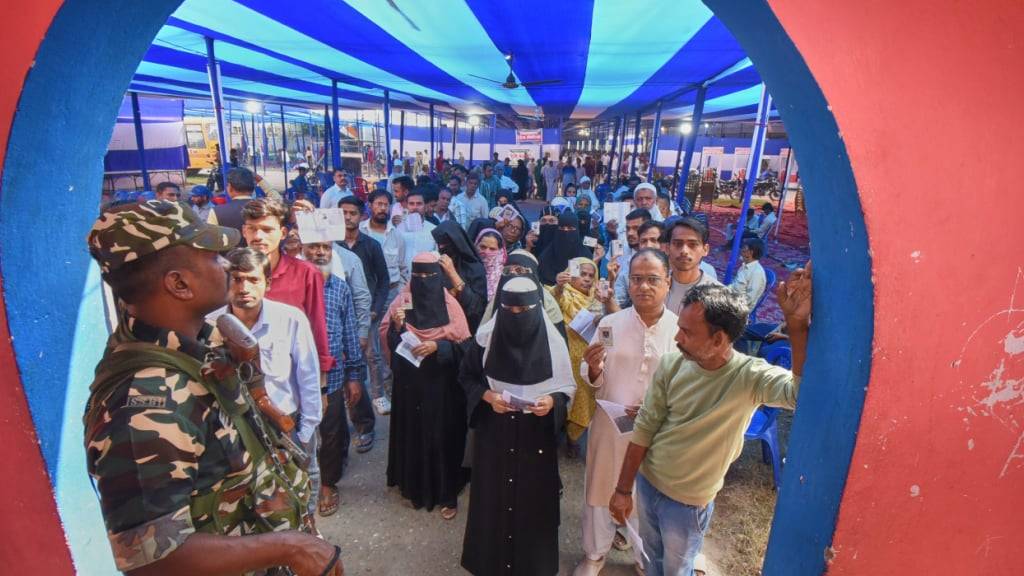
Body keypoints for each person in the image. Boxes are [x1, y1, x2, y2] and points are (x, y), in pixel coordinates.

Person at [83, 200, 342, 575]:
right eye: (213, 257)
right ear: (179, 284)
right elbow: (154, 559)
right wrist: (291, 547)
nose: (227, 266)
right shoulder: (145, 405)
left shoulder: (197, 344)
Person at [610, 272, 812, 576]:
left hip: (688, 503)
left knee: (677, 569)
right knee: (650, 557)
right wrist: (623, 490)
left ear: (718, 340)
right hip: (648, 483)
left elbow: (800, 395)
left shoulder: (749, 376)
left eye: (687, 332)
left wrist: (796, 328)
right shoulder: (672, 364)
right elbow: (645, 428)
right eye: (679, 328)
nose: (677, 338)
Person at [459, 277, 577, 576]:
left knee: (533, 504)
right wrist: (488, 397)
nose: (516, 316)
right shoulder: (485, 339)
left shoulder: (554, 345)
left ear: (537, 308)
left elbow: (565, 391)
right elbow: (466, 377)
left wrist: (551, 402)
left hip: (535, 437)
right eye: (509, 310)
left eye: (523, 311)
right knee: (492, 500)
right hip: (494, 432)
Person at [574, 249, 678, 576]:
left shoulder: (680, 330)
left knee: (648, 495)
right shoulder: (610, 323)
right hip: (610, 425)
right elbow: (590, 374)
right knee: (601, 488)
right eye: (636, 279)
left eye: (652, 279)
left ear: (668, 282)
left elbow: (687, 382)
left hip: (658, 430)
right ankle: (595, 554)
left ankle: (644, 558)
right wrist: (593, 368)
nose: (643, 286)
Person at [209, 248, 323, 517]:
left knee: (302, 482)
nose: (244, 288)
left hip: (285, 422)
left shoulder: (290, 319)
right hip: (234, 428)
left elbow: (308, 375)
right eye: (237, 279)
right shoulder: (210, 324)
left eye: (253, 279)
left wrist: (306, 431)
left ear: (267, 283)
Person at [381, 253, 472, 518]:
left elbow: (466, 347)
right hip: (410, 386)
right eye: (417, 275)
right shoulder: (402, 301)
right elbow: (388, 339)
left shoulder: (451, 306)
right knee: (414, 434)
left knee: (442, 437)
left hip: (442, 387)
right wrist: (397, 327)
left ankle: (446, 493)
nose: (423, 281)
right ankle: (415, 487)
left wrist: (438, 346)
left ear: (438, 277)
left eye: (429, 275)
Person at [301, 240, 366, 518]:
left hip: (334, 374)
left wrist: (354, 376)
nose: (320, 253)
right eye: (313, 247)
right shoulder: (292, 286)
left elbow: (349, 332)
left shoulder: (339, 287)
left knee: (331, 430)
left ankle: (327, 484)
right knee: (301, 431)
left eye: (326, 248)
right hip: (298, 373)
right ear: (302, 249)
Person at [240, 198, 335, 378]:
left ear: (283, 233)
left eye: (267, 230)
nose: (258, 236)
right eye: (252, 228)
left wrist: (321, 372)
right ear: (244, 231)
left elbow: (317, 324)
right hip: (245, 373)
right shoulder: (231, 274)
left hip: (292, 372)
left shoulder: (306, 273)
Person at [336, 195, 393, 422]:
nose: (348, 217)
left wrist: (375, 310)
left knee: (372, 355)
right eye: (344, 213)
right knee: (342, 357)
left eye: (353, 213)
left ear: (361, 216)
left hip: (366, 312)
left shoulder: (371, 245)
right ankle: (346, 398)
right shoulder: (331, 246)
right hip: (339, 313)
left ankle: (378, 395)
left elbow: (384, 280)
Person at [552, 256, 601, 453]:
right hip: (564, 357)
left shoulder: (597, 297)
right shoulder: (564, 293)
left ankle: (573, 438)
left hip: (586, 359)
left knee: (582, 398)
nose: (587, 279)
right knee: (563, 397)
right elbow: (554, 301)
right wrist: (559, 286)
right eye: (582, 274)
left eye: (591, 275)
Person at [481, 249, 565, 333]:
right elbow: (483, 333)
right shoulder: (497, 299)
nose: (512, 274)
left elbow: (555, 336)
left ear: (532, 274)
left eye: (519, 270)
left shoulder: (548, 303)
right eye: (507, 271)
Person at [433, 220, 488, 332]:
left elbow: (477, 308)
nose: (441, 247)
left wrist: (452, 274)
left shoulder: (475, 268)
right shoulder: (437, 264)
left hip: (467, 328)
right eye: (439, 244)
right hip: (440, 327)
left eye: (445, 244)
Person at [664, 217, 722, 314]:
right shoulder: (654, 285)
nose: (684, 251)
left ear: (705, 250)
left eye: (692, 244)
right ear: (667, 248)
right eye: (678, 244)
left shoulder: (718, 296)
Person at [611, 208, 654, 307]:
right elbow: (617, 301)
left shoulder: (662, 257)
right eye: (628, 228)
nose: (630, 233)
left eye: (636, 228)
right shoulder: (620, 251)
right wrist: (611, 279)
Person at [538, 211, 593, 286]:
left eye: (570, 228)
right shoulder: (547, 254)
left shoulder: (585, 254)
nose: (566, 231)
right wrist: (555, 278)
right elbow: (541, 274)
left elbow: (589, 280)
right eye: (562, 228)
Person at [396, 188, 437, 283]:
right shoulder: (398, 229)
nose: (415, 207)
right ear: (407, 206)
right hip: (402, 281)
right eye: (411, 204)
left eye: (419, 204)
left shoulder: (433, 230)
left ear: (425, 206)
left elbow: (436, 257)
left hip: (427, 281)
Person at [208, 167, 258, 235]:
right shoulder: (264, 208)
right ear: (253, 187)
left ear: (230, 187)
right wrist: (260, 179)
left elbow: (211, 237)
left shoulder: (216, 211)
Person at [730, 238, 768, 310]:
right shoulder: (744, 266)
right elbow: (734, 286)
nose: (741, 251)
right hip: (731, 300)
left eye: (744, 249)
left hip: (738, 309)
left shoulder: (757, 273)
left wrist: (728, 302)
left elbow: (748, 300)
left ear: (750, 252)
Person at [475, 228, 506, 300]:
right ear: (476, 245)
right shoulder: (466, 268)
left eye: (492, 249)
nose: (486, 252)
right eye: (483, 247)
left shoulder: (504, 275)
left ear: (500, 251)